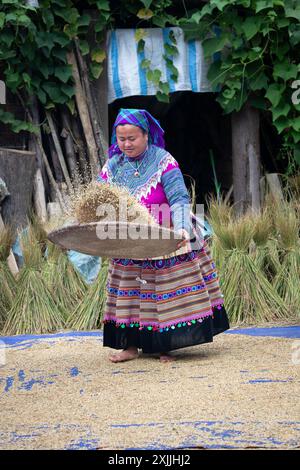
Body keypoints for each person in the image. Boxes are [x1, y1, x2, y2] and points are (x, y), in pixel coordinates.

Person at [97, 108, 229, 363]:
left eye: (132, 138)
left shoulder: (164, 161)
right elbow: (99, 198)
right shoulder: (113, 166)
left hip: (166, 233)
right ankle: (130, 347)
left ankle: (163, 346)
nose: (126, 144)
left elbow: (179, 198)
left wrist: (180, 229)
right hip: (130, 240)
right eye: (121, 139)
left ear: (146, 135)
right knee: (131, 293)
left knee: (162, 293)